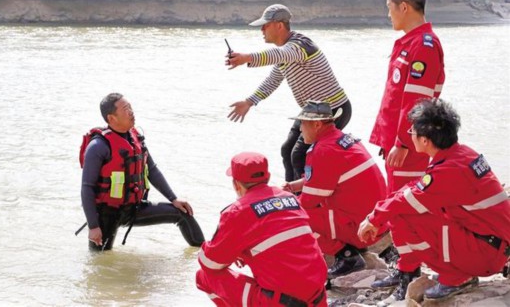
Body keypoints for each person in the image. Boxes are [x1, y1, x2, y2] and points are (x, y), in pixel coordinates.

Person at [358, 98, 510, 303]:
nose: (410, 135)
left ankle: (456, 276)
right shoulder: (460, 154)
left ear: (425, 141)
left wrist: (373, 219)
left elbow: (406, 201)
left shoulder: (449, 170)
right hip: (493, 245)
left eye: (412, 132)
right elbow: (414, 190)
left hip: (487, 254)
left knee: (403, 213)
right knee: (403, 205)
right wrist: (377, 214)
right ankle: (427, 270)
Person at [226, 4, 352, 182]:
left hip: (332, 110)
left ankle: (308, 199)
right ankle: (292, 195)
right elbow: (273, 80)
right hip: (312, 112)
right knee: (288, 150)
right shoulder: (287, 53)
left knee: (300, 154)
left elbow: (277, 55)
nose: (262, 30)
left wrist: (247, 58)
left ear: (279, 25)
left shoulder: (299, 46)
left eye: (265, 25)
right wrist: (249, 102)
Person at [196, 152, 328, 306]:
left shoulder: (237, 212)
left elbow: (210, 263)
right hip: (317, 298)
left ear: (236, 184)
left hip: (279, 303)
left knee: (204, 276)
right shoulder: (289, 198)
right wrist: (244, 253)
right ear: (268, 176)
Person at [80, 93, 204, 251]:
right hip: (106, 214)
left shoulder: (135, 138)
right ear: (112, 118)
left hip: (134, 209)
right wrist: (93, 226)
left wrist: (173, 198)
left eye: (130, 107)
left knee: (182, 213)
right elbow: (87, 187)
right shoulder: (98, 146)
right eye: (125, 109)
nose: (131, 111)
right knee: (99, 260)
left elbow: (152, 170)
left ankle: (207, 257)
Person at [283, 100, 387, 279]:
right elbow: (325, 179)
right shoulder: (340, 139)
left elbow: (308, 201)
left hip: (361, 226)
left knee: (292, 216)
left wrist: (282, 202)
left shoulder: (323, 150)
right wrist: (293, 187)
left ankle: (347, 256)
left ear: (316, 124)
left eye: (303, 124)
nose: (300, 129)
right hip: (374, 218)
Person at [369, 0, 445, 194]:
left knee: (404, 208)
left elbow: (417, 101)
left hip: (410, 147)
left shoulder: (424, 46)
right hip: (397, 140)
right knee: (396, 202)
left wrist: (402, 143)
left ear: (403, 7)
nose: (388, 14)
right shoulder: (411, 42)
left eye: (389, 8)